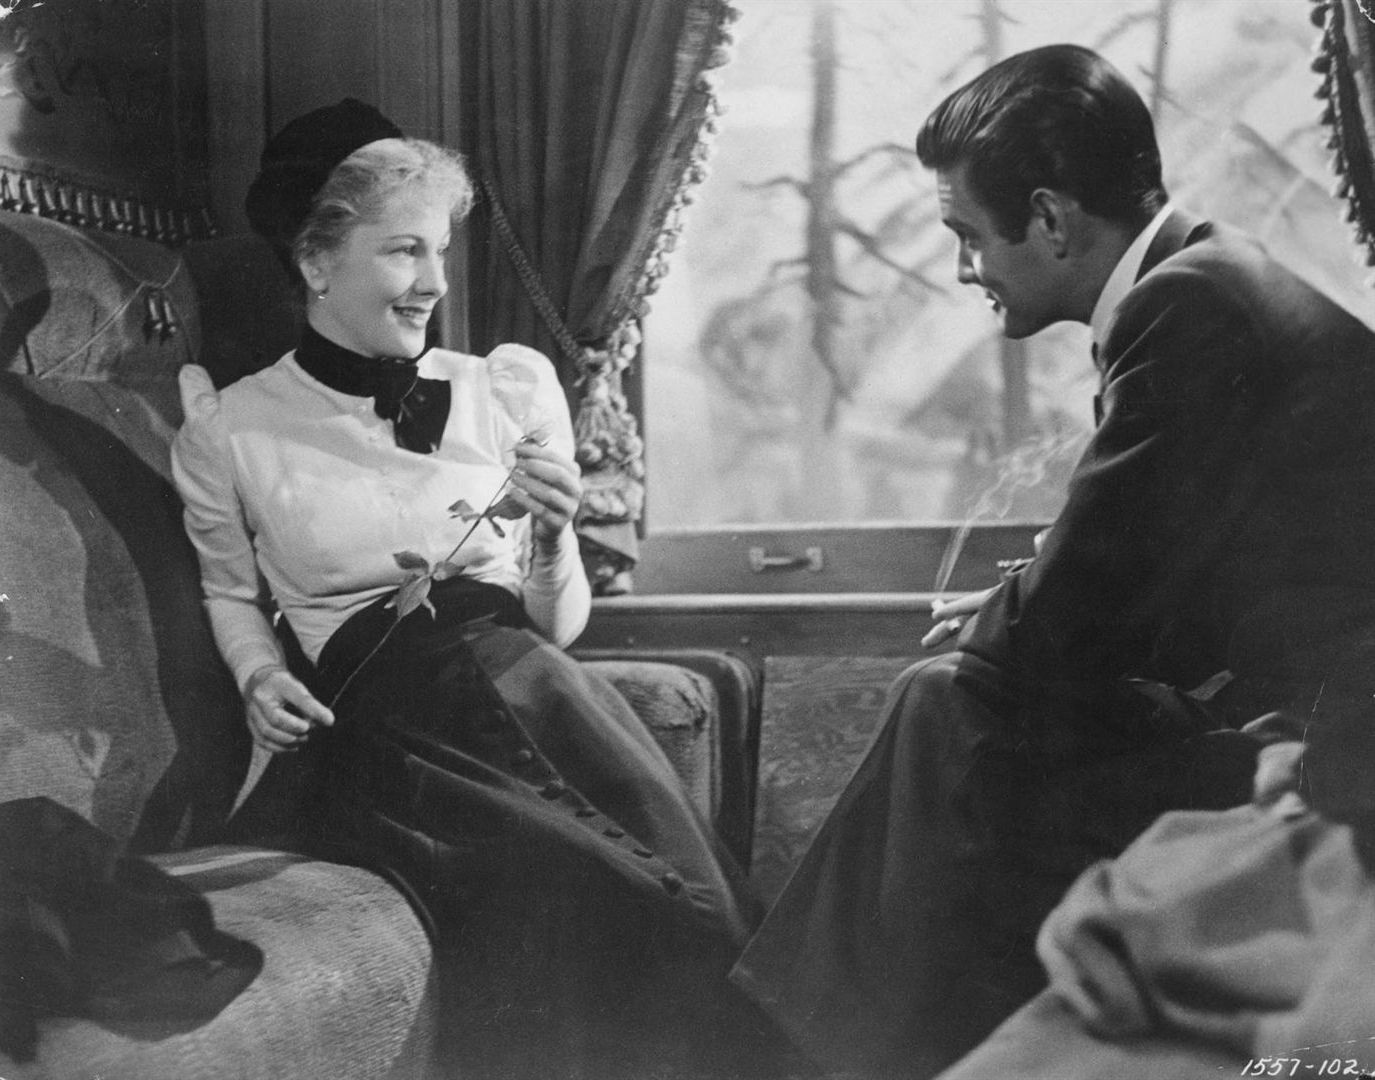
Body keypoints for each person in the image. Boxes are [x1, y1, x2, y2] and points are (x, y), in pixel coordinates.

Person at [730, 44, 1375, 1079]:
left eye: (967, 236)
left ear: (1051, 219)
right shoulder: (1209, 274)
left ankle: (796, 1048)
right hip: (1301, 714)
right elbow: (1134, 574)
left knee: (950, 705)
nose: (963, 270)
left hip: (1328, 752)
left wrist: (1008, 614)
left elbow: (1075, 618)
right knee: (951, 711)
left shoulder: (1189, 304)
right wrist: (1017, 608)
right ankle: (832, 1045)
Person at [171, 98, 780, 1079]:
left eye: (442, 252)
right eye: (404, 251)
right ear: (316, 261)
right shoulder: (232, 427)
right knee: (605, 899)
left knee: (704, 918)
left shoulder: (503, 388)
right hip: (390, 729)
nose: (436, 283)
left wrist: (555, 533)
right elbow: (229, 593)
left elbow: (557, 628)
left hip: (539, 687)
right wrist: (256, 675)